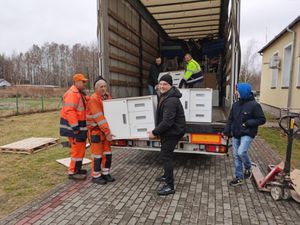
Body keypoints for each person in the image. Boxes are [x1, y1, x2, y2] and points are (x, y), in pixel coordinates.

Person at [148, 74, 186, 195]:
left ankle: (170, 186)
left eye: (165, 84)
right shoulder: (166, 95)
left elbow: (167, 122)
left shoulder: (171, 100)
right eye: (161, 84)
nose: (162, 86)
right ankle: (166, 176)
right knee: (165, 155)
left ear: (171, 85)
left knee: (166, 157)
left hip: (173, 132)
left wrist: (154, 132)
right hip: (170, 131)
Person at [223, 83, 266, 186]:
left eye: (237, 90)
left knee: (241, 152)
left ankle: (248, 167)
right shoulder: (235, 105)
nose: (236, 92)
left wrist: (248, 123)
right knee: (236, 156)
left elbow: (262, 119)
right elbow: (230, 120)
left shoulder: (255, 105)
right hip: (236, 133)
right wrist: (226, 132)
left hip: (247, 133)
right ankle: (239, 177)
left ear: (242, 92)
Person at [60, 73, 88, 180]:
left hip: (79, 128)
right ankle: (72, 172)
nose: (84, 83)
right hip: (75, 129)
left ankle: (77, 169)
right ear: (76, 82)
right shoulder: (72, 94)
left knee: (80, 149)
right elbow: (70, 111)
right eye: (83, 82)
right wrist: (75, 127)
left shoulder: (79, 93)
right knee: (76, 150)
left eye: (85, 81)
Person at [87, 77, 115, 185]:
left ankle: (105, 173)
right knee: (97, 155)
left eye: (105, 86)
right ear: (96, 88)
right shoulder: (93, 99)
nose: (104, 88)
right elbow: (100, 118)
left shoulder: (106, 97)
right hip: (96, 132)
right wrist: (108, 132)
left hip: (104, 131)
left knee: (107, 154)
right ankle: (96, 176)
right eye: (101, 86)